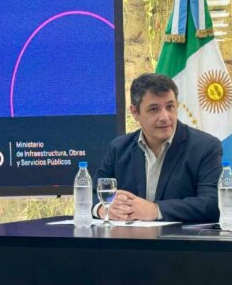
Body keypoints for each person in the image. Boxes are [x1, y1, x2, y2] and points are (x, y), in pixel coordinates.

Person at [94, 73, 222, 223]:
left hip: (180, 237)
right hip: (127, 237)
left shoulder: (205, 147)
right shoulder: (119, 148)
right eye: (154, 109)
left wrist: (156, 210)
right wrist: (102, 208)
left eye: (170, 107)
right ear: (135, 112)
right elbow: (92, 193)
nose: (165, 117)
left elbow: (213, 203)